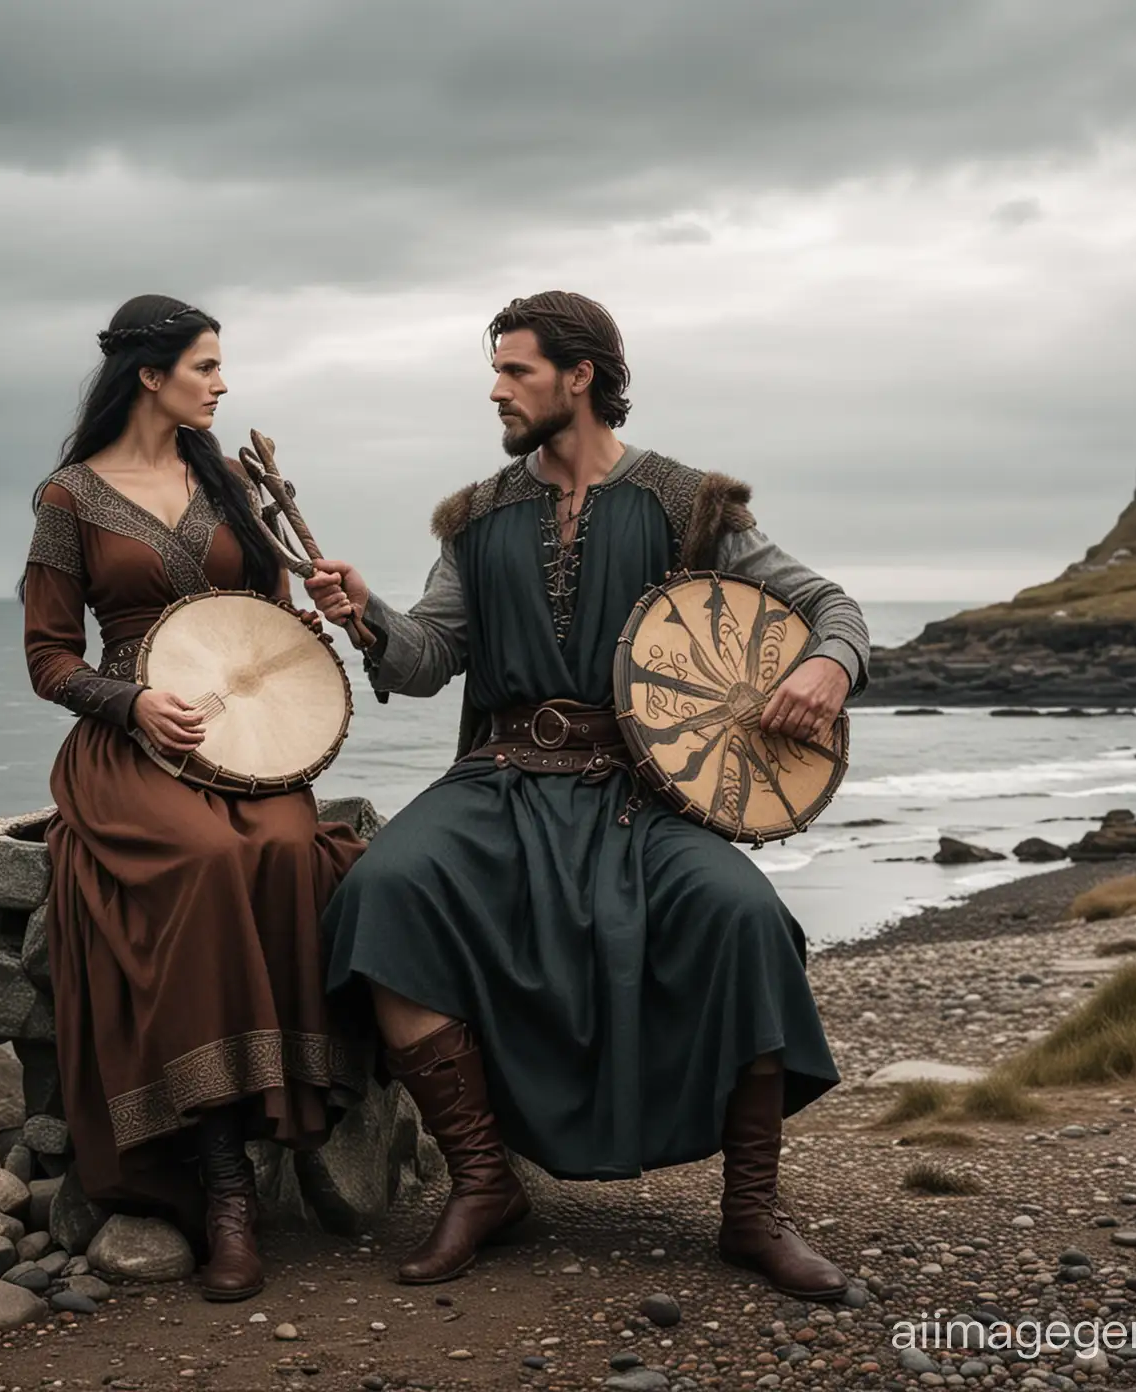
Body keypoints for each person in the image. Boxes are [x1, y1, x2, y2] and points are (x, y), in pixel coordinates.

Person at [305, 291, 865, 1298]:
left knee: (745, 918)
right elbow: (431, 656)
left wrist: (831, 665)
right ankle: (482, 1182)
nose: (497, 389)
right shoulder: (476, 517)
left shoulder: (692, 504)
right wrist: (368, 618)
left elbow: (827, 604)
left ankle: (751, 1215)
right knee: (380, 895)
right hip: (502, 781)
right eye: (497, 371)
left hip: (639, 793)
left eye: (515, 371)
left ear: (582, 378)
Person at [22, 294, 369, 1302]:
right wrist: (129, 702)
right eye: (207, 367)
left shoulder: (227, 483)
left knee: (284, 849)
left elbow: (261, 609)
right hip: (133, 744)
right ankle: (222, 1184)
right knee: (209, 860)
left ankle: (286, 1119)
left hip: (250, 742)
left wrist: (300, 624)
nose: (221, 385)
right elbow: (48, 659)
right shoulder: (70, 498)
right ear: (150, 374)